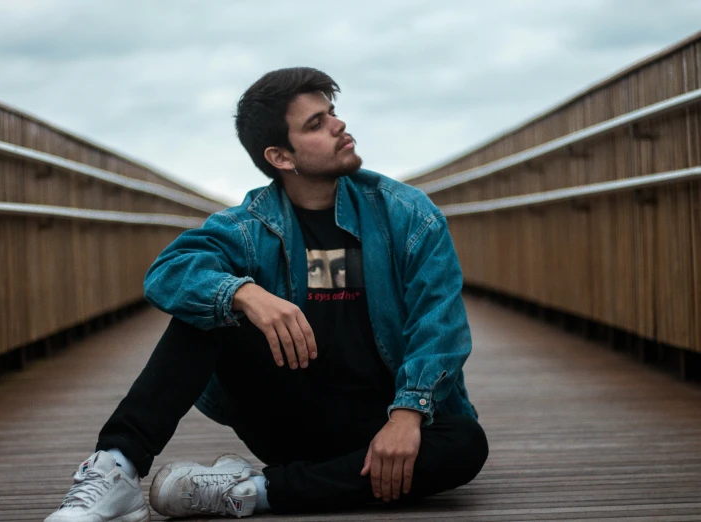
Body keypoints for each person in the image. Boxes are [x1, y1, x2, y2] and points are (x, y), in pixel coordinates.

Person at [45, 67, 488, 522]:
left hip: (384, 416)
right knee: (208, 308)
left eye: (332, 113)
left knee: (465, 443)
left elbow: (442, 325)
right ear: (280, 157)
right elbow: (167, 272)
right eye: (315, 124)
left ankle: (250, 492)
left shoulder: (409, 215)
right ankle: (117, 467)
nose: (339, 125)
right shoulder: (250, 225)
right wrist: (244, 294)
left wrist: (408, 414)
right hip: (289, 415)